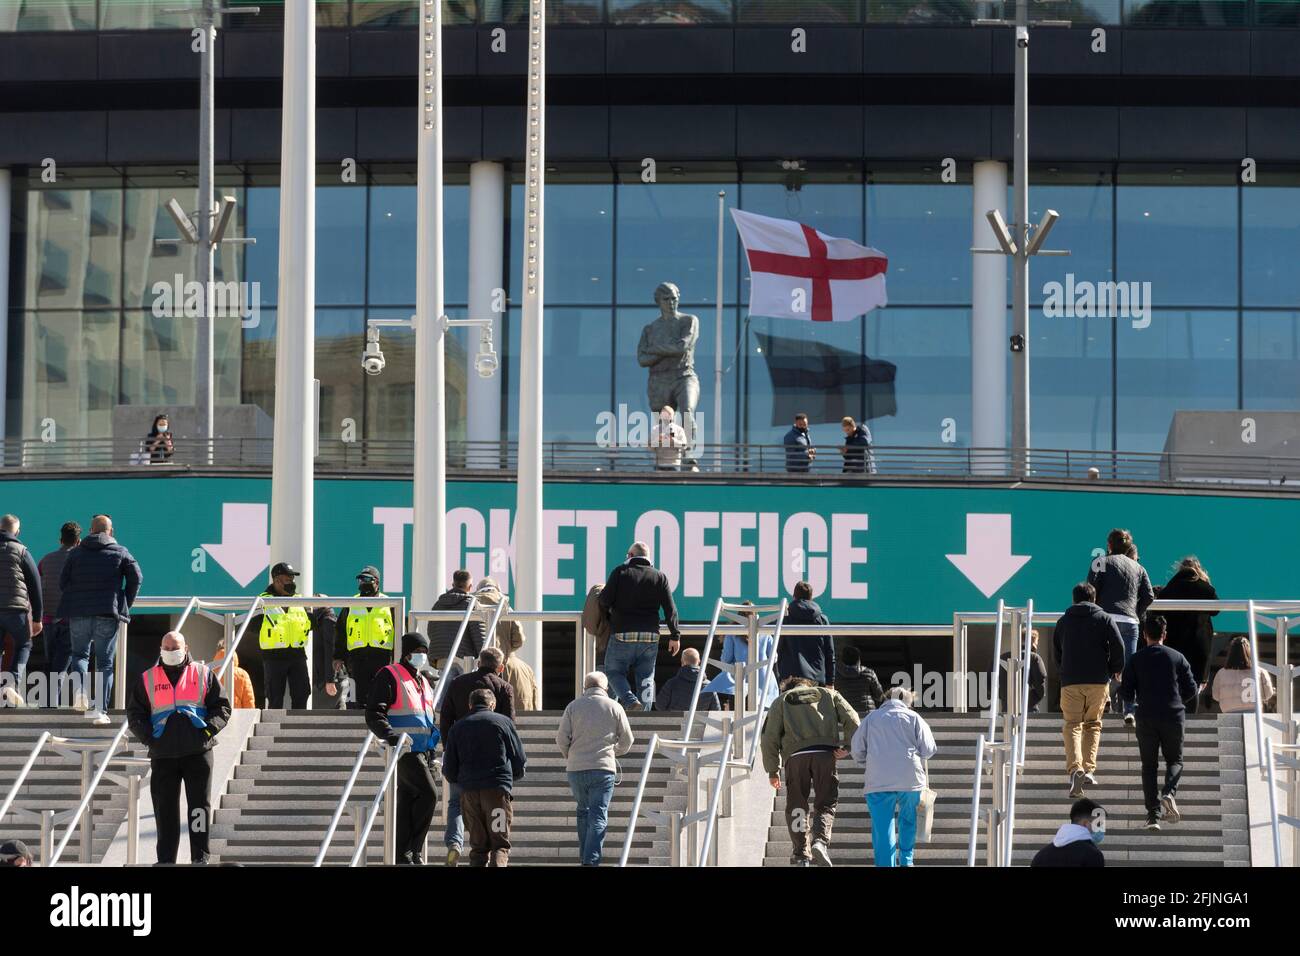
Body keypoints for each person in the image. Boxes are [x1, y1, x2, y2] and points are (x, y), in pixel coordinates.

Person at [126, 631, 230, 864]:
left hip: (198, 752)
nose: (170, 652)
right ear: (160, 649)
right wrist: (149, 739)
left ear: (186, 647)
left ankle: (200, 858)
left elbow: (222, 707)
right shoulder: (147, 678)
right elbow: (135, 714)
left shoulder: (203, 673)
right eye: (166, 647)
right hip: (163, 754)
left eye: (175, 648)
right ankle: (165, 861)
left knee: (199, 809)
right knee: (165, 812)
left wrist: (206, 731)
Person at [761, 676, 860, 867]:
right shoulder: (829, 694)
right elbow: (853, 719)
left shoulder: (781, 700)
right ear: (809, 685)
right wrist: (848, 746)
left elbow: (768, 737)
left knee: (797, 805)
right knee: (826, 802)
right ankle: (820, 842)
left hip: (795, 757)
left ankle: (801, 854)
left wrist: (772, 770)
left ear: (788, 688)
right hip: (825, 754)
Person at [365, 632, 441, 864]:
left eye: (425, 652)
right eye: (418, 652)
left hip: (423, 750)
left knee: (408, 800)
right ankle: (414, 850)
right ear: (406, 653)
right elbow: (374, 713)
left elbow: (427, 719)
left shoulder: (424, 681)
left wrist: (432, 752)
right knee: (429, 795)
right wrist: (392, 737)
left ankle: (402, 854)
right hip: (403, 749)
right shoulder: (390, 674)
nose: (422, 656)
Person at [439, 647, 516, 865]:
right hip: (495, 767)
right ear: (500, 667)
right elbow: (510, 726)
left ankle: (454, 843)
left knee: (456, 803)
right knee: (499, 835)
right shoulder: (503, 687)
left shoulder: (457, 684)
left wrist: (449, 748)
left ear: (478, 663)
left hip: (463, 759)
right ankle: (498, 858)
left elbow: (445, 719)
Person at [61, 514, 142, 719]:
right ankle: (99, 710)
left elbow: (63, 582)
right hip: (107, 612)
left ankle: (81, 693)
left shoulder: (76, 553)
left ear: (90, 531)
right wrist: (125, 602)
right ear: (111, 532)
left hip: (79, 612)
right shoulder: (120, 552)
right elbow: (137, 578)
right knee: (105, 663)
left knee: (79, 656)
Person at [1121, 614, 1198, 831]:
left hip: (1146, 717)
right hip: (1173, 716)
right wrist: (1176, 701)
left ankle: (1153, 816)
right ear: (1164, 634)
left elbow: (1126, 693)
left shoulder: (1135, 659)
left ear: (1144, 634)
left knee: (1149, 766)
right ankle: (1168, 793)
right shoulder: (1177, 657)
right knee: (1175, 760)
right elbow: (1192, 690)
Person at [851, 685, 937, 867]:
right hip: (910, 779)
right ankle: (906, 861)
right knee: (908, 821)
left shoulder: (871, 718)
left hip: (878, 780)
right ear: (906, 702)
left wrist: (868, 763)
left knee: (883, 829)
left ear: (886, 699)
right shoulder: (914, 718)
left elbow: (857, 749)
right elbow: (929, 750)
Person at [1054, 582, 1124, 798]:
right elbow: (1118, 646)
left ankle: (1076, 769)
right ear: (1095, 599)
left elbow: (1057, 650)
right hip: (1098, 681)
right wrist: (1115, 670)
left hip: (1071, 682)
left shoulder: (1064, 621)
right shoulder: (1104, 619)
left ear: (1074, 599)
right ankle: (1089, 769)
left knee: (1072, 725)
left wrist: (1064, 671)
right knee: (1093, 724)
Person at [556, 671, 634, 866]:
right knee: (598, 813)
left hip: (576, 768)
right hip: (603, 768)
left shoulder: (573, 707)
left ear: (585, 687)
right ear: (606, 688)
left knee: (583, 811)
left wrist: (570, 755)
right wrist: (615, 751)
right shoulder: (615, 706)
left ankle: (584, 855)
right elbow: (628, 739)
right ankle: (591, 860)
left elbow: (561, 738)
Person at [599, 541, 680, 711]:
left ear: (630, 556)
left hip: (623, 633)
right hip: (650, 636)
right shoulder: (660, 576)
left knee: (613, 672)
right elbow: (670, 609)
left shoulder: (620, 572)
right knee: (646, 678)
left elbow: (604, 600)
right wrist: (675, 635)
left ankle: (629, 700)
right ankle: (645, 718)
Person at [1087, 528, 1155, 723]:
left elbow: (1091, 589)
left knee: (1102, 661)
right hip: (1130, 621)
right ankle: (1129, 710)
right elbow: (1149, 596)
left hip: (1106, 618)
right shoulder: (1138, 567)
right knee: (1128, 667)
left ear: (1109, 545)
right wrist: (1136, 611)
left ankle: (1105, 697)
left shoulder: (1100, 562)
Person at [246, 562, 314, 709]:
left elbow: (312, 623)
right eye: (288, 579)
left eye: (292, 578)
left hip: (297, 654)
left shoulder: (300, 600)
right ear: (276, 580)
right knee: (275, 697)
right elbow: (253, 626)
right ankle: (273, 729)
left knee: (302, 693)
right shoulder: (262, 600)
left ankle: (299, 728)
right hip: (273, 656)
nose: (292, 582)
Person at [1158, 556, 1219, 713]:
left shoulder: (1170, 588)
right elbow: (1216, 610)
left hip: (1174, 642)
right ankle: (1191, 720)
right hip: (1199, 642)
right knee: (1194, 682)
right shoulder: (1206, 588)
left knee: (1174, 681)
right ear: (1198, 570)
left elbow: (1157, 611)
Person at [332, 565, 394, 711]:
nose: (363, 583)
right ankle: (358, 728)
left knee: (381, 695)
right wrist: (338, 656)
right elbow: (341, 631)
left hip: (382, 656)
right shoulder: (351, 604)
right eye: (360, 580)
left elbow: (398, 631)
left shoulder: (390, 603)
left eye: (367, 579)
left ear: (377, 582)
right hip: (357, 658)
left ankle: (377, 726)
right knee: (358, 698)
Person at [474, 577, 539, 710]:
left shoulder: (472, 603)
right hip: (506, 662)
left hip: (477, 664)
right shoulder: (505, 604)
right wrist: (506, 649)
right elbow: (519, 637)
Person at [0, 514, 42, 705]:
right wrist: (38, 617)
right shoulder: (21, 550)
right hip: (15, 610)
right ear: (16, 531)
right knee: (24, 644)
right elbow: (35, 584)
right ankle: (11, 683)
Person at [38, 521, 80, 708]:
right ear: (78, 541)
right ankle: (50, 705)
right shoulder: (80, 560)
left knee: (50, 661)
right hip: (70, 618)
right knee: (62, 663)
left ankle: (46, 703)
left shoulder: (46, 560)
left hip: (48, 618)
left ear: (60, 539)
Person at [426, 570, 484, 678]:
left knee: (445, 692)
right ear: (470, 587)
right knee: (462, 692)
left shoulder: (438, 604)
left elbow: (431, 631)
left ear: (453, 585)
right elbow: (479, 635)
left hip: (441, 658)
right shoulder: (471, 604)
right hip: (465, 660)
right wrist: (484, 659)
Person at [777, 581, 835, 686]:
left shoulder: (785, 619)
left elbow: (778, 650)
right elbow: (830, 653)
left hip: (790, 679)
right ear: (811, 597)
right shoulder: (822, 620)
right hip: (816, 680)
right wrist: (830, 682)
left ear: (794, 596)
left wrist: (780, 676)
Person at [1030, 798, 1107, 867]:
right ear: (1086, 824)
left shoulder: (1041, 855)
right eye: (1099, 824)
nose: (1101, 829)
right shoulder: (1092, 855)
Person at [1212, 636, 1275, 714]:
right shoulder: (1260, 671)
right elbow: (1268, 694)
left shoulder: (1221, 673)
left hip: (1229, 712)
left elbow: (1215, 696)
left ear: (1231, 652)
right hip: (1253, 712)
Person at [995, 629, 1048, 713]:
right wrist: (1031, 700)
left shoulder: (1001, 658)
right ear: (1033, 642)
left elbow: (990, 684)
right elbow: (1040, 684)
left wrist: (1004, 697)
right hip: (1029, 710)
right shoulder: (1034, 658)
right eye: (1037, 641)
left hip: (1007, 709)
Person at [654, 647, 718, 711]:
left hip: (675, 720)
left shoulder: (672, 683)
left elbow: (659, 705)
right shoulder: (710, 686)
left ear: (682, 662)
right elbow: (716, 710)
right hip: (699, 721)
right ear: (699, 661)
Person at [834, 644, 885, 715]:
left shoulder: (835, 675)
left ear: (842, 659)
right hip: (867, 714)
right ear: (858, 659)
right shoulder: (869, 673)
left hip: (844, 714)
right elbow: (879, 696)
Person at [212, 641, 255, 709]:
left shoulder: (210, 672)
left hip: (217, 714)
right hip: (237, 715)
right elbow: (248, 700)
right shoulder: (243, 674)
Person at [650, 404, 688, 472]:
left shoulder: (679, 430)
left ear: (672, 416)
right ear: (661, 416)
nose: (666, 416)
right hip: (660, 465)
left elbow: (684, 445)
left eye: (668, 414)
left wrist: (673, 440)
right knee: (658, 482)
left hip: (674, 465)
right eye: (663, 414)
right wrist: (659, 439)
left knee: (675, 482)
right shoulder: (655, 429)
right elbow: (649, 446)